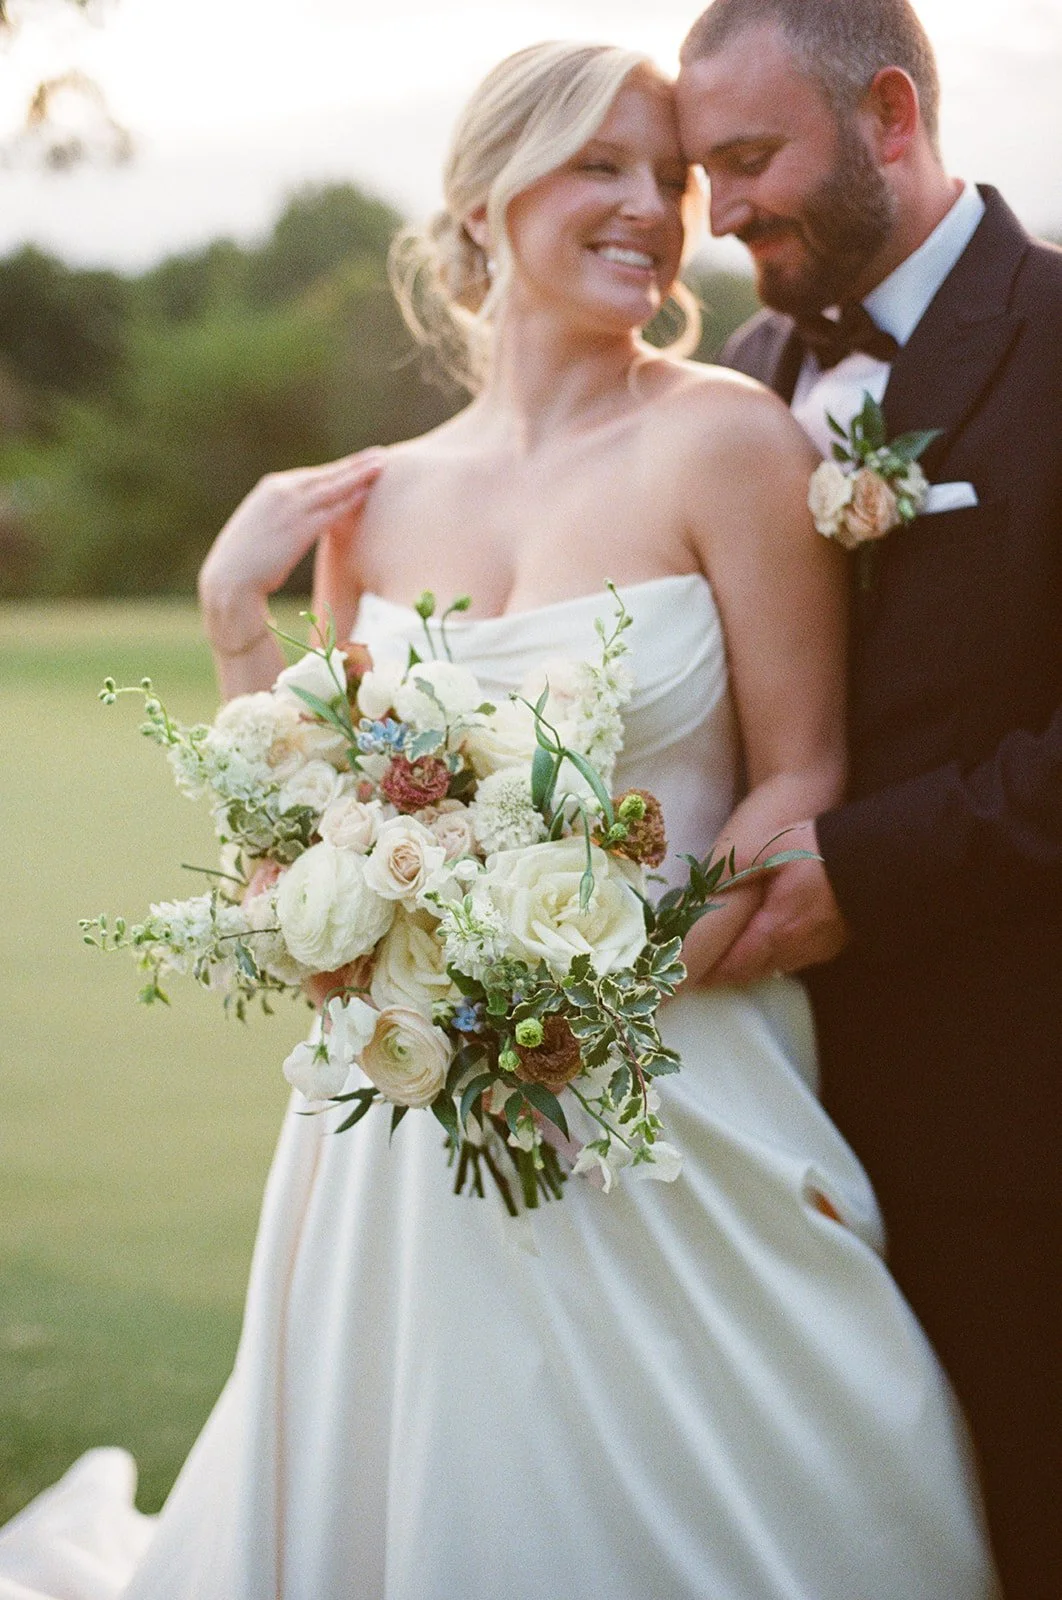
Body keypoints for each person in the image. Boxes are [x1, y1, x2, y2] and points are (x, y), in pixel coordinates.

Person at [0, 41, 997, 1600]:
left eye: (666, 180)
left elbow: (804, 775)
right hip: (400, 1119)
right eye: (598, 166)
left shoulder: (729, 441)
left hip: (675, 1079)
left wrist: (597, 992)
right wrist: (229, 616)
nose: (652, 213)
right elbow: (301, 852)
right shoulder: (377, 499)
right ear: (480, 203)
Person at [674, 3, 1062, 1595]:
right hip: (780, 1124)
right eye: (700, 171)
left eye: (747, 159)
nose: (715, 214)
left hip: (1019, 1118)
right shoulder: (745, 383)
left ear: (889, 115)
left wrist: (870, 869)